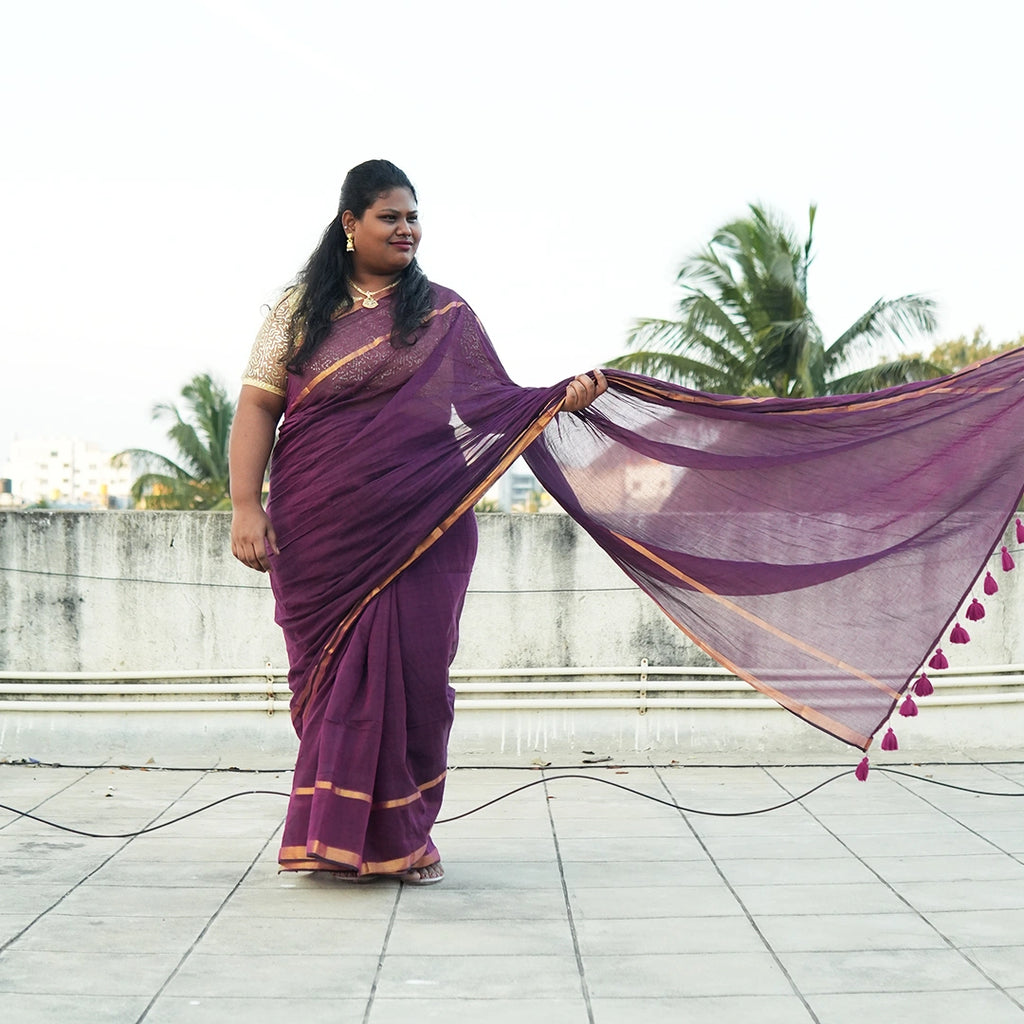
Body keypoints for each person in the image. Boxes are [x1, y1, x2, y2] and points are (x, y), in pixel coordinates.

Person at [229, 158, 606, 884]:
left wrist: (563, 399)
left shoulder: (444, 314)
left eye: (412, 216)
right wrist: (247, 504)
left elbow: (495, 404)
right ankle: (332, 838)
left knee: (420, 687)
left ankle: (403, 841)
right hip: (320, 530)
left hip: (425, 527)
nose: (406, 229)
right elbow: (257, 407)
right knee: (330, 682)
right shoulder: (297, 314)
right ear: (350, 225)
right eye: (389, 217)